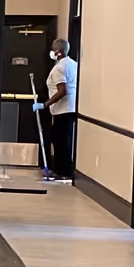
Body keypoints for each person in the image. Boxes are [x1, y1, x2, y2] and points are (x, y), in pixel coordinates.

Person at [42, 38, 78, 181]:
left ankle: (62, 171)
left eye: (53, 49)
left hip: (62, 110)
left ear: (59, 52)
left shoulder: (59, 68)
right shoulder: (74, 64)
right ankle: (63, 169)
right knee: (64, 140)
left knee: (59, 141)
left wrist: (45, 104)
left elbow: (62, 91)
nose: (51, 52)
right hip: (71, 109)